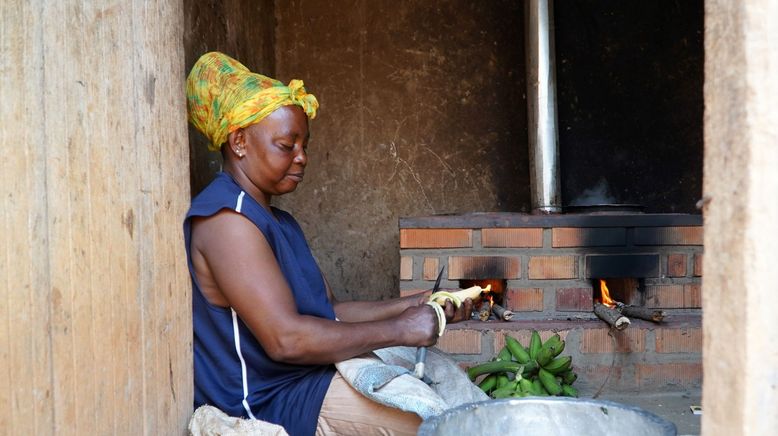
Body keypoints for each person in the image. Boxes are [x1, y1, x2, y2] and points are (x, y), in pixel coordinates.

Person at [183, 52, 473, 436]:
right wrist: (400, 329)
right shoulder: (227, 220)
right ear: (239, 142)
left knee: (456, 402)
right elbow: (286, 340)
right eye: (287, 145)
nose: (302, 158)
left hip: (306, 380)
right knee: (437, 425)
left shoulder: (279, 221)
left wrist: (413, 305)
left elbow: (330, 311)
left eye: (305, 144)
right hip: (271, 399)